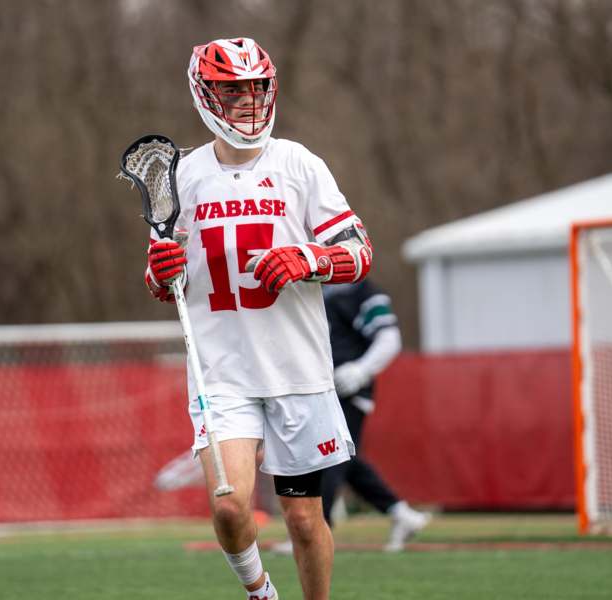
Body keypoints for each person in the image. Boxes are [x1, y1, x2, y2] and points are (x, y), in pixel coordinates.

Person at [144, 38, 373, 600]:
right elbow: (163, 280)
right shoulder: (184, 176)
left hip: (296, 368)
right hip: (223, 371)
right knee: (228, 506)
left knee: (302, 518)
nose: (248, 101)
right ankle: (261, 593)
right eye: (233, 89)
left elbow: (360, 250)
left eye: (256, 88)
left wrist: (308, 259)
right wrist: (158, 270)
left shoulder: (298, 164)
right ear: (205, 94)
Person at [272, 280, 431, 555]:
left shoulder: (361, 291)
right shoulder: (316, 286)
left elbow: (389, 338)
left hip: (345, 386)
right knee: (343, 457)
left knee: (329, 455)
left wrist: (361, 370)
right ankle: (400, 513)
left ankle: (317, 527)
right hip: (319, 385)